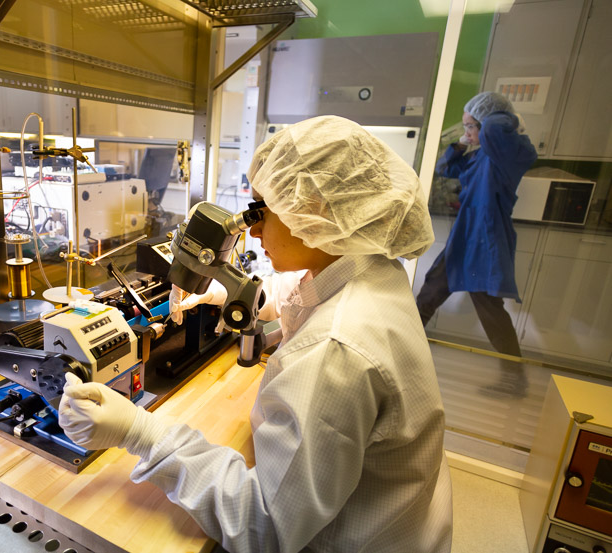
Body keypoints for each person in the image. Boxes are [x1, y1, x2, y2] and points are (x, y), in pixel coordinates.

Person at [59, 116, 452, 553]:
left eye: (263, 210)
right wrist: (223, 292)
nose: (254, 228)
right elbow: (299, 295)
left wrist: (139, 432)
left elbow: (263, 527)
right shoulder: (372, 269)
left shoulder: (333, 350)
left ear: (317, 209)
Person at [416, 92, 537, 397]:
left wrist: (500, 117)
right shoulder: (481, 155)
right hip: (465, 235)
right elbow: (446, 168)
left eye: (470, 126)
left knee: (489, 309)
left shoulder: (508, 152)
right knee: (430, 291)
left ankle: (514, 380)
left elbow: (494, 127)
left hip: (486, 238)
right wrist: (463, 140)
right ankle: (401, 353)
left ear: (490, 122)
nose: (467, 132)